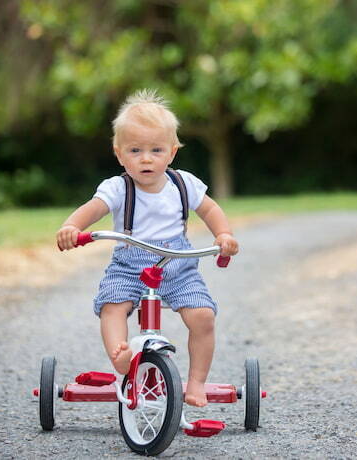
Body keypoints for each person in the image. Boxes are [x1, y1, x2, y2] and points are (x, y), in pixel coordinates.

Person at [56, 89, 239, 407]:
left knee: (203, 317)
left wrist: (223, 235)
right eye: (135, 150)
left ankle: (196, 382)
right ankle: (121, 358)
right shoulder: (117, 188)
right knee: (113, 306)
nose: (146, 158)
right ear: (119, 153)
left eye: (156, 150)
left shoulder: (184, 184)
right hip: (130, 264)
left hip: (177, 265)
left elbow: (210, 210)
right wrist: (73, 227)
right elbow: (93, 208)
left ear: (171, 152)